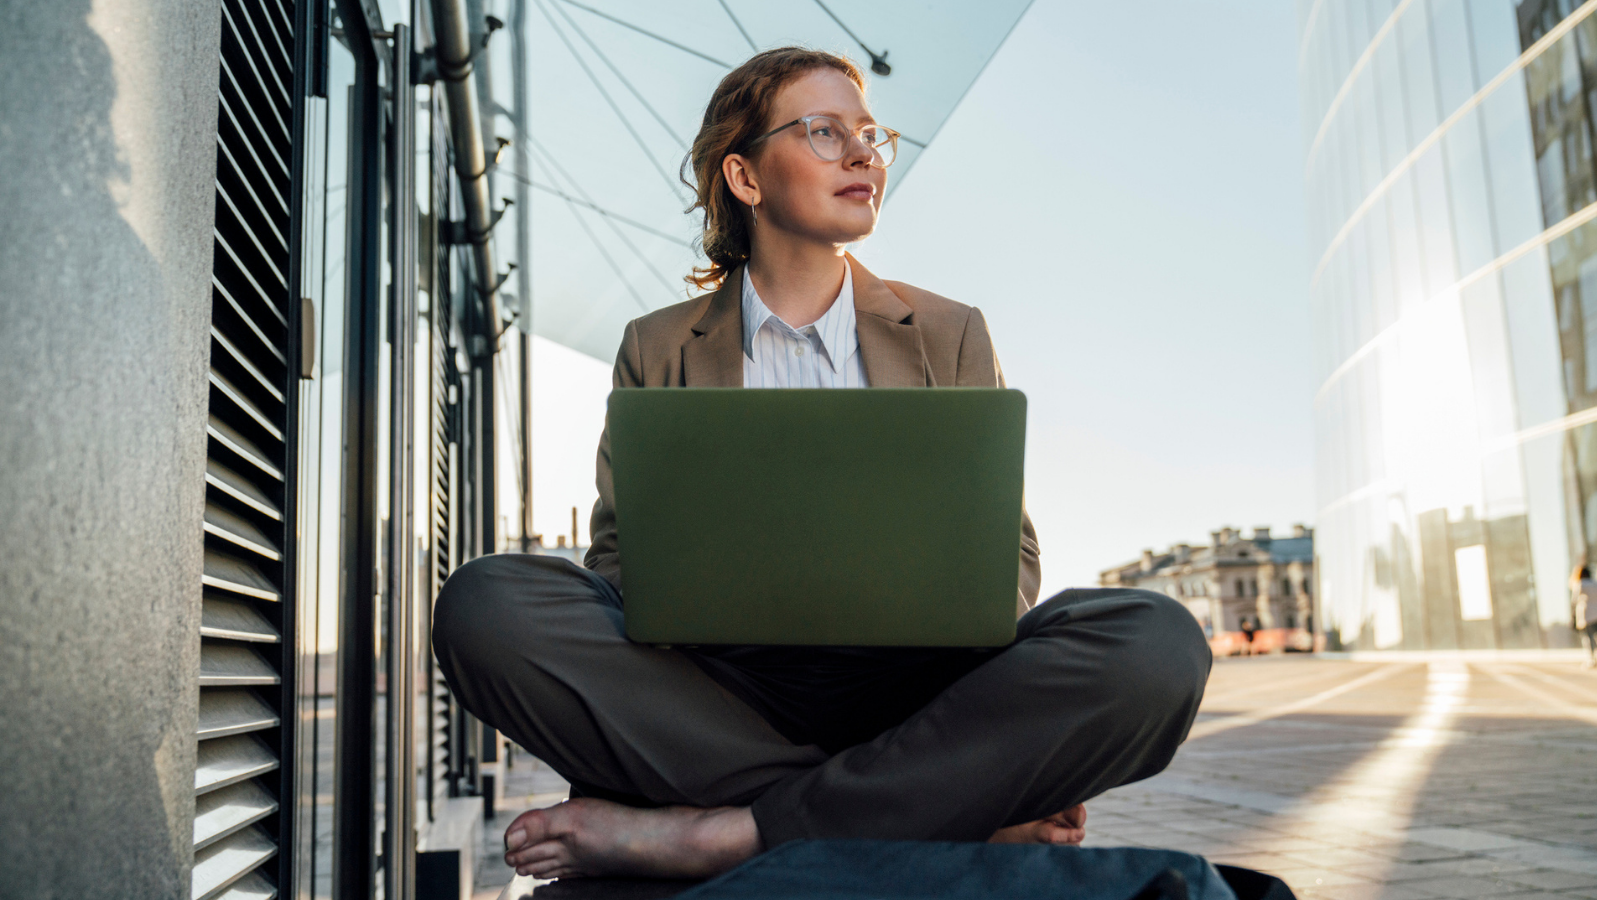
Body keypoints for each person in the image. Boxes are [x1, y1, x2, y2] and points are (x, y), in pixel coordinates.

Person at [431, 47, 1211, 882]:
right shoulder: (657, 345)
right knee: (487, 605)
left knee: (1155, 644)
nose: (863, 153)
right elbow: (622, 564)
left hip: (919, 691)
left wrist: (942, 607)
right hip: (717, 696)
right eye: (825, 131)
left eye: (871, 135)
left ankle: (719, 835)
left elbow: (1008, 560)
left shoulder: (949, 331)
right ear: (746, 175)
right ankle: (933, 816)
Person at [1574, 567, 1597, 668]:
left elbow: (1574, 600)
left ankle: (1592, 660)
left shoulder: (1581, 584)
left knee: (1588, 639)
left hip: (1588, 616)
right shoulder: (1596, 584)